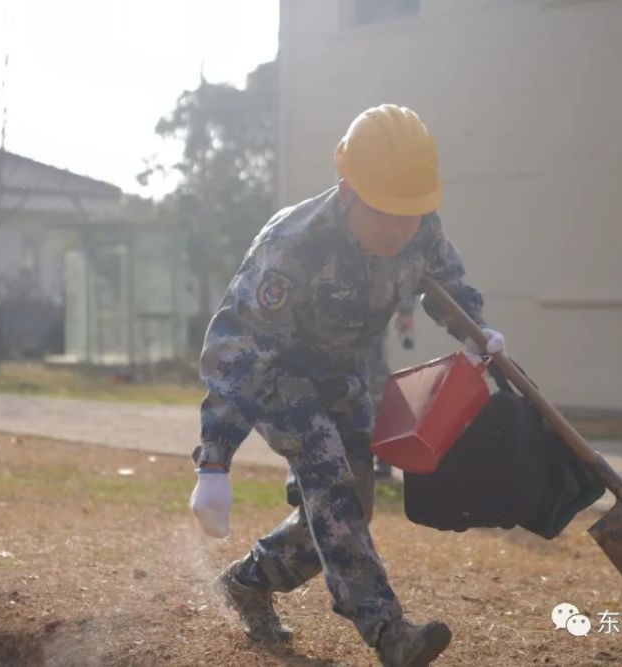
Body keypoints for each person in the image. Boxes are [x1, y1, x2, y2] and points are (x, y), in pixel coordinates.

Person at [188, 105, 504, 666]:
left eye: (410, 214)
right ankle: (388, 633)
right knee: (331, 482)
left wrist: (475, 331)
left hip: (346, 375)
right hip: (279, 373)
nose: (398, 229)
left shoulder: (418, 225)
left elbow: (448, 284)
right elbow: (237, 349)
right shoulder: (292, 247)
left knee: (348, 506)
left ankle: (248, 581)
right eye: (385, 213)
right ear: (348, 190)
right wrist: (213, 462)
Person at [369, 306, 415, 480]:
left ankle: (383, 461)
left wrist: (404, 310)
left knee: (379, 395)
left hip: (369, 339)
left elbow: (406, 279)